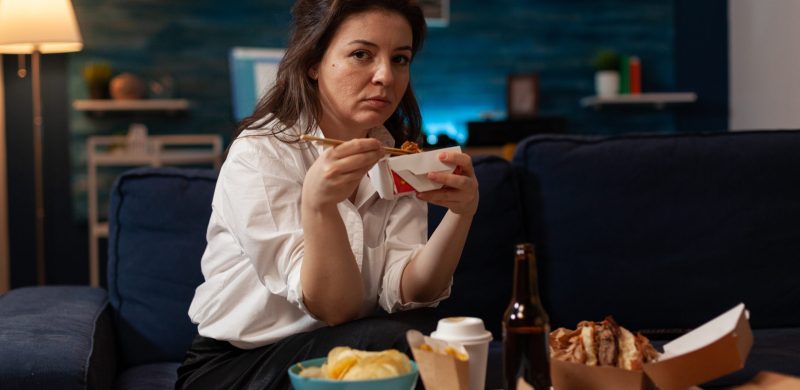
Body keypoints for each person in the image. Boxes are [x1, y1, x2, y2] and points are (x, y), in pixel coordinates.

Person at [176, 0, 479, 388]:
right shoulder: (260, 154)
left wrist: (461, 214)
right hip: (238, 365)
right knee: (400, 343)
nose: (386, 75)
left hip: (338, 347)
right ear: (313, 62)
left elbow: (408, 288)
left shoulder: (399, 153)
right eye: (361, 54)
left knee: (432, 333)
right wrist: (319, 206)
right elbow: (336, 307)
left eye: (400, 59)